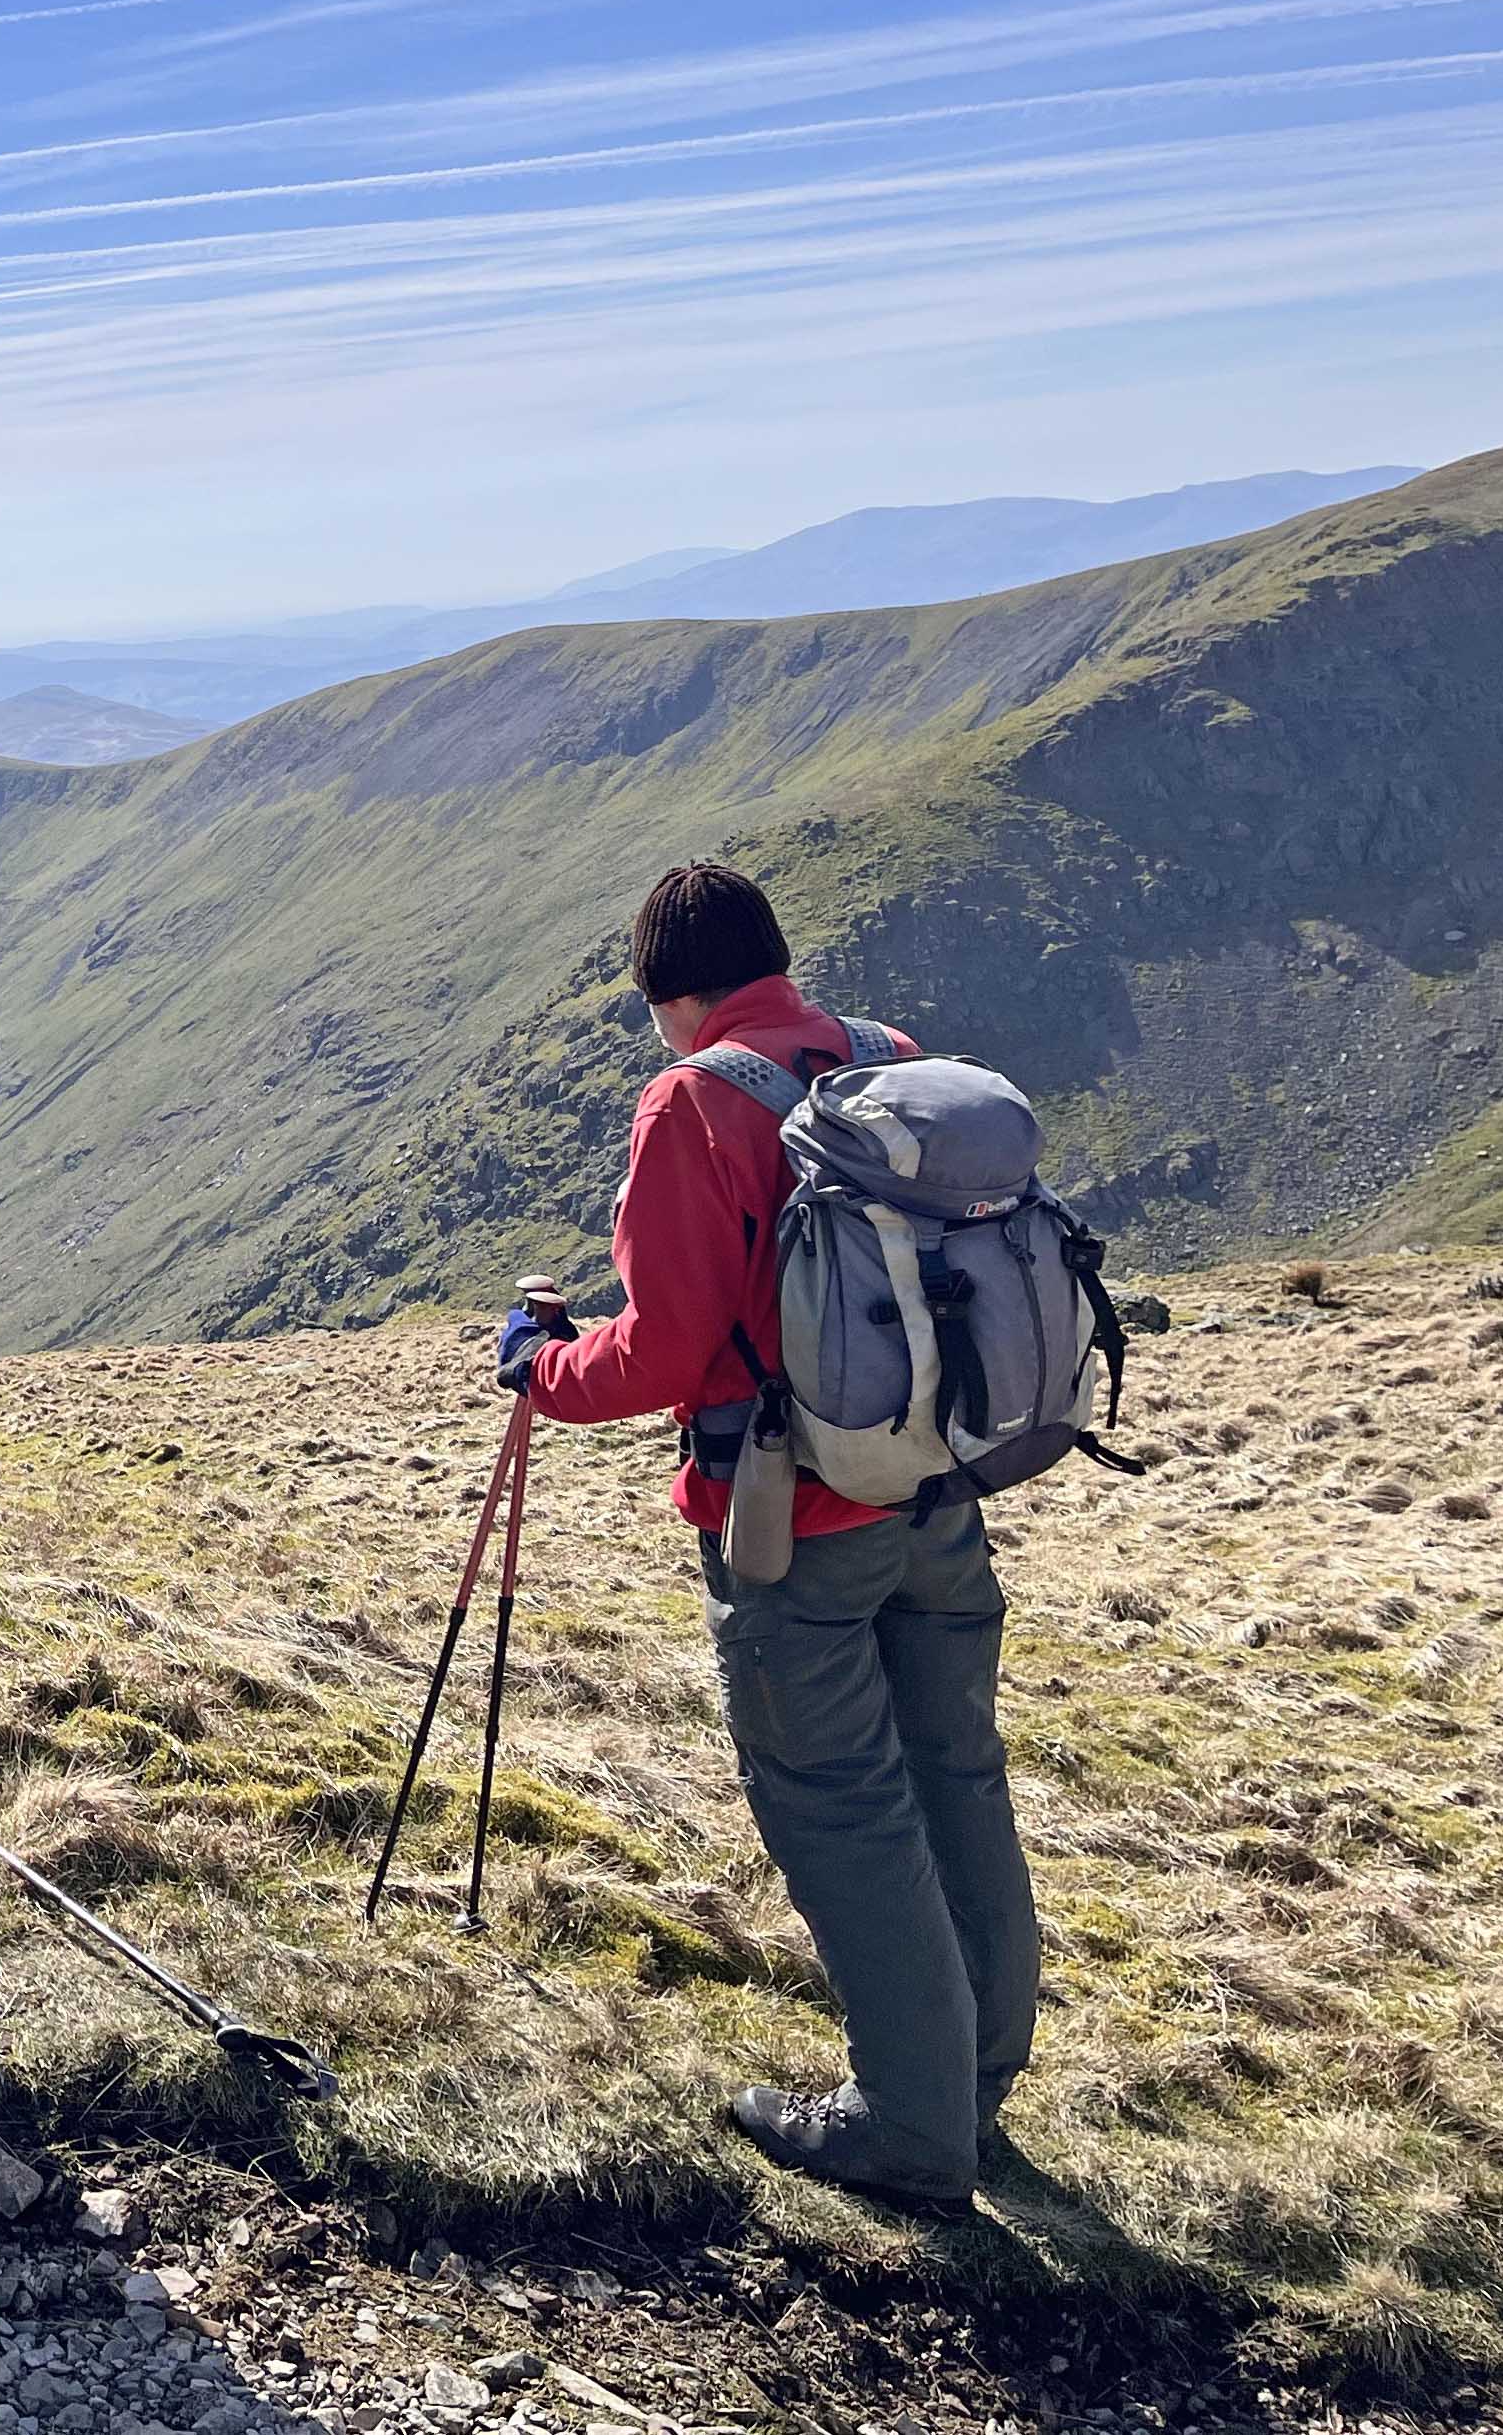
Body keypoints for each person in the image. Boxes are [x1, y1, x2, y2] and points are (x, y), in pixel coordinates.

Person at [506, 861, 1038, 2212]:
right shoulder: (889, 1062)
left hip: (791, 1516)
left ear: (665, 995)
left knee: (842, 1804)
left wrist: (541, 1367)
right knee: (954, 1772)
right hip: (937, 1489)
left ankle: (911, 2128)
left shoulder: (697, 1097)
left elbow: (666, 1346)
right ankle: (971, 2074)